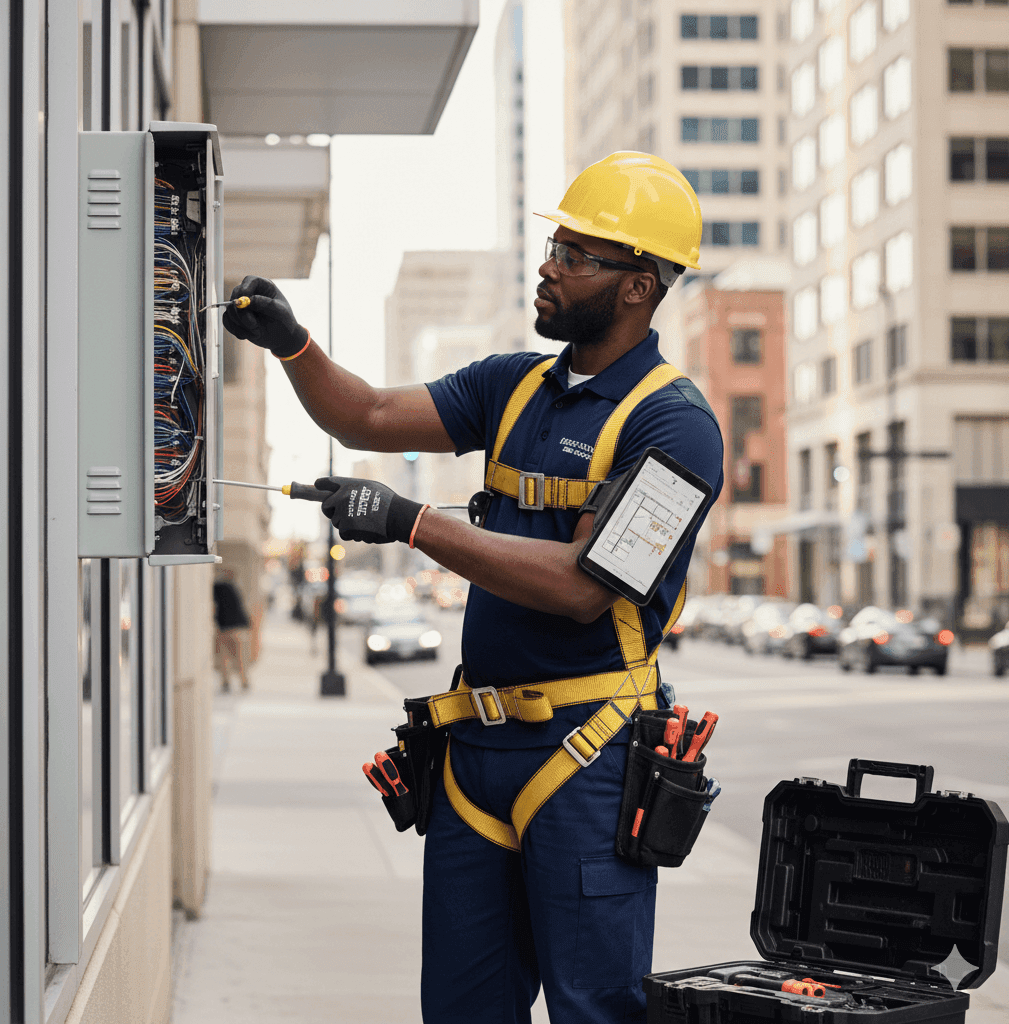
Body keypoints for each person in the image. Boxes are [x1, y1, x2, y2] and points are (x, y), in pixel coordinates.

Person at [224, 152, 724, 1024]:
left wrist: (412, 522)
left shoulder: (675, 426)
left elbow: (583, 588)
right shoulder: (511, 383)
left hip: (589, 759)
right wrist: (293, 345)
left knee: (593, 1010)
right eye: (556, 246)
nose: (549, 265)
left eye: (575, 254)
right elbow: (368, 416)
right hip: (474, 758)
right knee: (461, 1010)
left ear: (639, 285)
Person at [213, 572, 251, 692]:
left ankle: (226, 682)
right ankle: (244, 681)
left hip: (224, 628)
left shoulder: (215, 589)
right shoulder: (234, 590)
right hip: (239, 627)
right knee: (240, 657)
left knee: (224, 656)